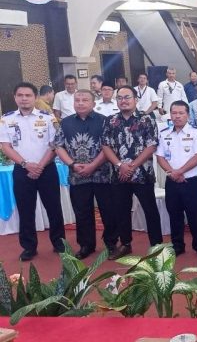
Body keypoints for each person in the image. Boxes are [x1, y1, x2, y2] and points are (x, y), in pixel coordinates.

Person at [0, 83, 65, 261]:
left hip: (47, 169)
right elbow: (5, 146)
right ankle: (29, 247)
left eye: (28, 95)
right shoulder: (6, 119)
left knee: (54, 208)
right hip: (22, 171)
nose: (24, 98)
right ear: (15, 98)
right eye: (20, 95)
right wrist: (25, 164)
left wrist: (40, 166)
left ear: (35, 97)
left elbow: (55, 145)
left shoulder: (47, 117)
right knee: (25, 209)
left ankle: (59, 243)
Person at [101, 85, 163, 259]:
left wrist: (132, 166)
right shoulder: (110, 120)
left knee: (150, 210)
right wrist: (121, 165)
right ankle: (126, 243)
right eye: (120, 98)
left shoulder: (147, 119)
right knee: (121, 211)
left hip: (143, 174)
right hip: (119, 175)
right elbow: (105, 145)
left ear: (136, 99)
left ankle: (156, 247)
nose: (123, 101)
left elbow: (151, 145)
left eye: (127, 97)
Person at [54, 90, 116, 259]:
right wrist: (72, 164)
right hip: (77, 175)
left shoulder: (104, 121)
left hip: (102, 175)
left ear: (93, 103)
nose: (80, 103)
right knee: (82, 212)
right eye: (77, 100)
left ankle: (111, 243)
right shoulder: (65, 123)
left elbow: (108, 147)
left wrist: (93, 165)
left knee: (108, 210)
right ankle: (86, 245)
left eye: (85, 100)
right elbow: (58, 146)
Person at [155, 101, 197, 258]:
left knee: (196, 215)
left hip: (192, 181)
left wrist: (180, 171)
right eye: (174, 113)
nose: (177, 116)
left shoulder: (196, 133)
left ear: (187, 115)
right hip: (172, 181)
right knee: (174, 215)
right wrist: (172, 173)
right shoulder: (164, 133)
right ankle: (177, 245)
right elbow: (160, 156)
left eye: (181, 113)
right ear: (170, 115)